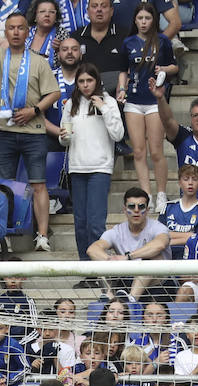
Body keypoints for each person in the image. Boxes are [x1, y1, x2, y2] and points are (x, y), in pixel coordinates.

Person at [0, 10, 61, 252]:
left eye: (20, 28)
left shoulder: (39, 60)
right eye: (11, 28)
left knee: (39, 185)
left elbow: (54, 92)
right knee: (3, 184)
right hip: (5, 131)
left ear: (27, 32)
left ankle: (41, 236)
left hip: (34, 131)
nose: (16, 32)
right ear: (5, 32)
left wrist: (34, 110)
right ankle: (3, 233)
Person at [119, 3, 177, 214]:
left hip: (154, 101)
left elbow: (174, 66)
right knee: (138, 151)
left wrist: (164, 69)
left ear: (154, 20)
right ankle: (146, 194)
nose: (143, 22)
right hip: (133, 101)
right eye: (140, 18)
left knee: (156, 151)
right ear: (135, 20)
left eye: (147, 18)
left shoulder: (162, 41)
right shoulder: (127, 42)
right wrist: (122, 88)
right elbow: (123, 70)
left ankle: (161, 193)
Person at [61, 62, 123, 259]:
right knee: (80, 223)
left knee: (95, 223)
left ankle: (100, 272)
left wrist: (104, 108)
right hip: (77, 168)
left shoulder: (109, 102)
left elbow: (118, 135)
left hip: (100, 168)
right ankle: (86, 270)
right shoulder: (71, 103)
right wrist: (64, 136)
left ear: (97, 81)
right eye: (81, 81)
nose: (85, 85)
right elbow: (64, 139)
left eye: (89, 80)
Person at [88, 187, 172, 302]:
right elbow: (92, 250)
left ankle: (131, 300)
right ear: (124, 209)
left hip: (159, 285)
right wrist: (111, 260)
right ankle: (109, 301)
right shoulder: (117, 231)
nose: (136, 210)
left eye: (141, 206)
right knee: (101, 261)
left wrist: (128, 257)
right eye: (132, 207)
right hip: (126, 281)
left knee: (152, 259)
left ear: (147, 210)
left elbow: (160, 244)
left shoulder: (158, 227)